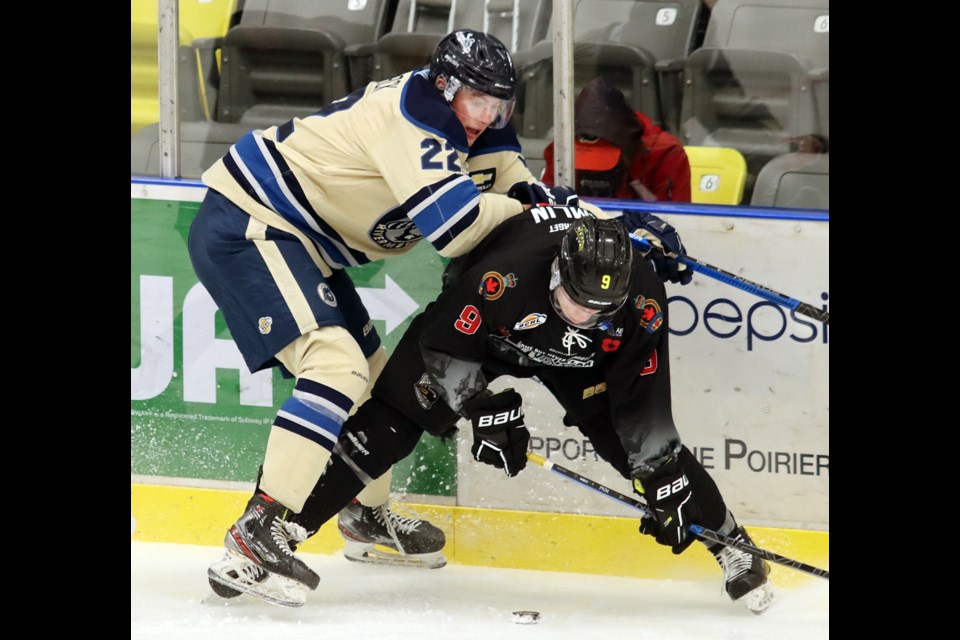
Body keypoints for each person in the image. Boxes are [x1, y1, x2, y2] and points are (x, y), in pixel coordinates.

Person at [188, 28, 584, 606]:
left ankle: (364, 514)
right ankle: (259, 527)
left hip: (305, 244)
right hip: (251, 223)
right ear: (446, 88)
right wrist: (531, 208)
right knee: (336, 365)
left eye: (502, 104)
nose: (489, 116)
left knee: (380, 382)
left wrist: (552, 204)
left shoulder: (480, 118)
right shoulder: (412, 116)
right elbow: (454, 231)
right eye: (480, 102)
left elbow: (509, 176)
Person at [283, 208, 774, 613]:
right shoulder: (505, 275)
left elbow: (642, 400)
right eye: (576, 302)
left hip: (585, 362)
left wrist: (662, 476)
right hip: (489, 339)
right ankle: (282, 529)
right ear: (558, 271)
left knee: (645, 459)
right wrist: (482, 408)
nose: (583, 316)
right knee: (396, 419)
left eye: (599, 310)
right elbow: (446, 345)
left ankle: (732, 544)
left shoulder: (642, 300)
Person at [541, 77, 692, 202]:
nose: (594, 169)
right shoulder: (563, 151)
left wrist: (632, 177)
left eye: (601, 159)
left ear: (627, 144)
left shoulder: (666, 155)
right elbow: (545, 209)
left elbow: (676, 223)